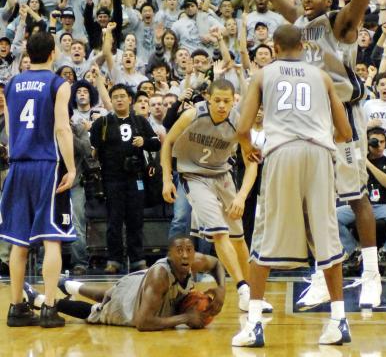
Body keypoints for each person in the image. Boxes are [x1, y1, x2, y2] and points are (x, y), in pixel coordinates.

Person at [233, 0, 386, 310]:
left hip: (345, 116)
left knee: (355, 198)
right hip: (312, 119)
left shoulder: (340, 23)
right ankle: (323, 274)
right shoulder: (298, 23)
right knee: (314, 201)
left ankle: (371, 275)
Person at [232, 25, 353, 347]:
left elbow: (242, 128)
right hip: (320, 154)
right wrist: (320, 136)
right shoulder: (322, 76)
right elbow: (345, 132)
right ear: (303, 46)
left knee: (264, 236)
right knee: (327, 237)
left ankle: (254, 325)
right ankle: (339, 321)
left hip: (283, 152)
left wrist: (246, 147)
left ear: (274, 47)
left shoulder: (263, 74)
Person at [161, 79, 272, 313]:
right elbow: (168, 142)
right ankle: (243, 290)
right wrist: (167, 179)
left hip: (223, 175)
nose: (222, 105)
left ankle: (254, 295)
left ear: (233, 102)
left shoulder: (239, 124)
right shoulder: (191, 115)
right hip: (194, 176)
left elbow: (252, 163)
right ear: (208, 99)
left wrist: (241, 196)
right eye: (217, 100)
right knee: (219, 232)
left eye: (227, 101)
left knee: (238, 238)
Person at [0, 31, 76, 328]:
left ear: (27, 54)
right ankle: (49, 307)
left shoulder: (12, 83)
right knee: (51, 238)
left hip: (18, 166)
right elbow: (62, 128)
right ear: (53, 52)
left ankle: (17, 307)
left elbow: (9, 130)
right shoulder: (58, 84)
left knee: (19, 242)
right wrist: (71, 168)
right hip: (47, 165)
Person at [24, 236, 226, 330]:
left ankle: (67, 284)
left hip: (138, 283)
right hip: (131, 308)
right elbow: (142, 323)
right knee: (97, 312)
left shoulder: (193, 261)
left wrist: (222, 289)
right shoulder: (161, 276)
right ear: (169, 255)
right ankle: (39, 300)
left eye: (189, 250)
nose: (185, 255)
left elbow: (216, 263)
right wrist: (185, 317)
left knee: (107, 293)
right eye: (179, 251)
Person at [90, 83, 161, 274]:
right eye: (115, 97)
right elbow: (92, 150)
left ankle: (137, 259)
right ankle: (114, 260)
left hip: (136, 178)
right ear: (111, 101)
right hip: (111, 179)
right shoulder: (102, 123)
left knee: (135, 220)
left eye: (122, 96)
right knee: (114, 221)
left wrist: (144, 142)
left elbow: (156, 144)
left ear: (130, 100)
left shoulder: (140, 121)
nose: (119, 100)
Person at [337, 127, 386, 268]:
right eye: (374, 141)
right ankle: (354, 252)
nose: (379, 145)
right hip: (361, 206)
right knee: (332, 217)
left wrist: (368, 164)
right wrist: (360, 159)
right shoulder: (356, 163)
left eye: (382, 142)